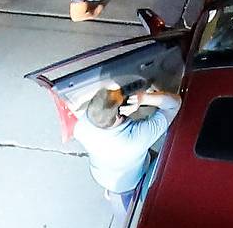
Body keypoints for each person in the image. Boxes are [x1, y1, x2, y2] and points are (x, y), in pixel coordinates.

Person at [74, 81, 180, 210]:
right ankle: (131, 197)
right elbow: (175, 105)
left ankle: (112, 191)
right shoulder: (136, 139)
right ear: (119, 114)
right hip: (128, 183)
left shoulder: (81, 126)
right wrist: (144, 98)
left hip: (102, 175)